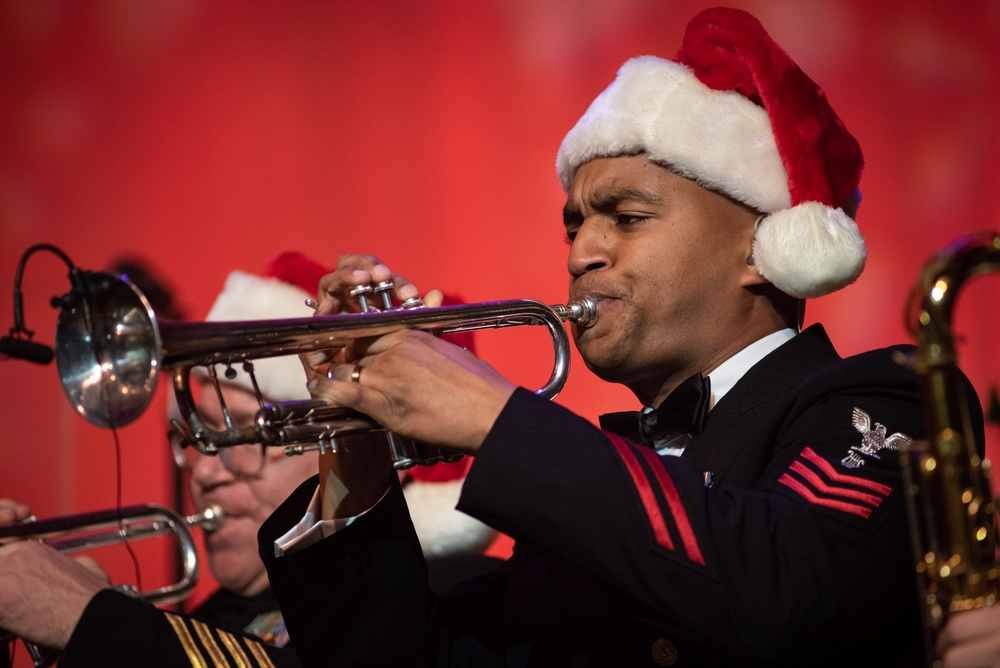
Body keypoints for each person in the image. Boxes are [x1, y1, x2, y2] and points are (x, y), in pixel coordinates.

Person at [254, 7, 985, 667]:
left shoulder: (892, 399)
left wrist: (497, 419)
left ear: (763, 249)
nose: (579, 255)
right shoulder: (600, 479)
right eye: (574, 225)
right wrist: (355, 456)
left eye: (626, 218)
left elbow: (788, 585)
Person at [0, 252, 499, 667]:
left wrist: (91, 618)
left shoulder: (453, 590)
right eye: (197, 439)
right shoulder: (196, 620)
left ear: (339, 442)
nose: (205, 471)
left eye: (247, 436)